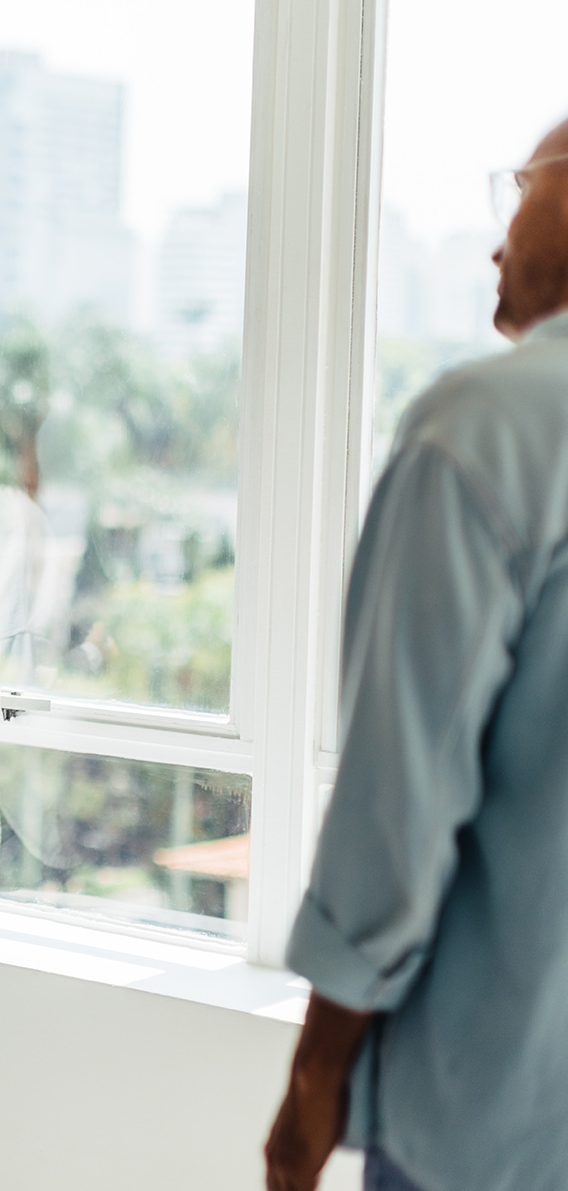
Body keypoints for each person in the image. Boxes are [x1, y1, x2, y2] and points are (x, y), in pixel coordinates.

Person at [265, 117, 568, 1191]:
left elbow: (396, 810)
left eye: (518, 189)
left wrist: (311, 1085)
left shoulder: (489, 425)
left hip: (491, 1118)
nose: (497, 238)